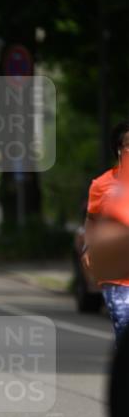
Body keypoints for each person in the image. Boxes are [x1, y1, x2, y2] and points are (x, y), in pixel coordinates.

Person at [84, 121, 129, 339]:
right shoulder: (101, 184)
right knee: (123, 327)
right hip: (117, 277)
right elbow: (92, 220)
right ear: (119, 149)